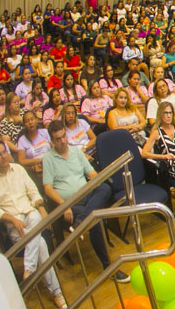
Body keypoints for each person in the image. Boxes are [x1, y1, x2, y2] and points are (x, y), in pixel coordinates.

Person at [0, 140, 67, 309]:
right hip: (15, 223)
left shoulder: (19, 169)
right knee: (41, 244)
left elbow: (33, 192)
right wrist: (12, 219)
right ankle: (56, 292)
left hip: (30, 215)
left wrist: (40, 207)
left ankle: (28, 269)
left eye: (4, 152)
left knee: (36, 217)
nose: (4, 156)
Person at [42, 120, 126, 282]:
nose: (63, 141)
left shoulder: (76, 151)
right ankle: (108, 267)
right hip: (71, 204)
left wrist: (96, 181)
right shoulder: (48, 158)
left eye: (64, 136)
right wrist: (63, 205)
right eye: (58, 139)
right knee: (94, 220)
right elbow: (48, 188)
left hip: (88, 195)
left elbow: (92, 174)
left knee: (104, 187)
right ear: (52, 141)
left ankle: (80, 222)